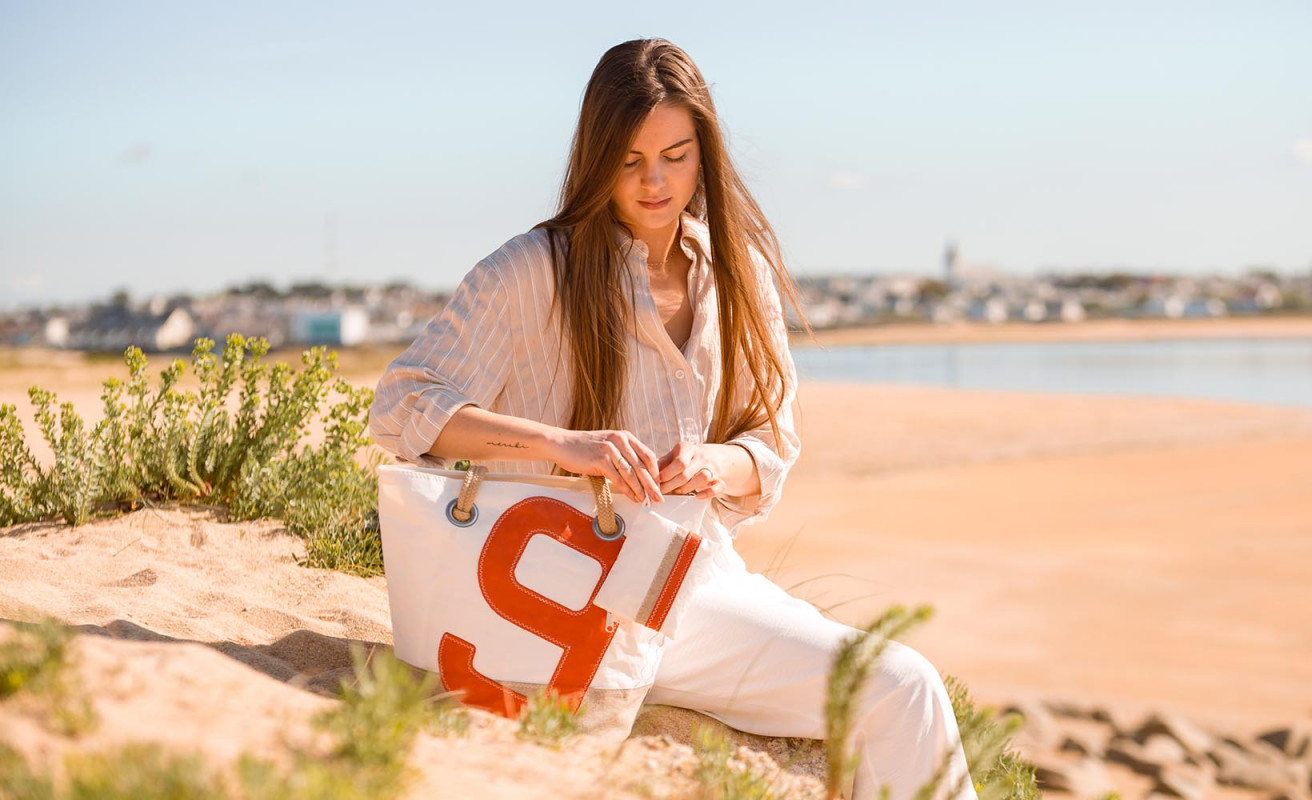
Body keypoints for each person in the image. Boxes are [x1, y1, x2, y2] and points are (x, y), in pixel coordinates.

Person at [369, 38, 977, 800]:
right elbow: (400, 406)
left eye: (676, 155)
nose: (655, 182)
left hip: (692, 593)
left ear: (705, 153)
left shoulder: (738, 272)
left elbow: (773, 442)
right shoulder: (532, 270)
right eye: (629, 160)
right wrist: (563, 447)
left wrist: (713, 463)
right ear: (597, 158)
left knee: (904, 687)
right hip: (552, 602)